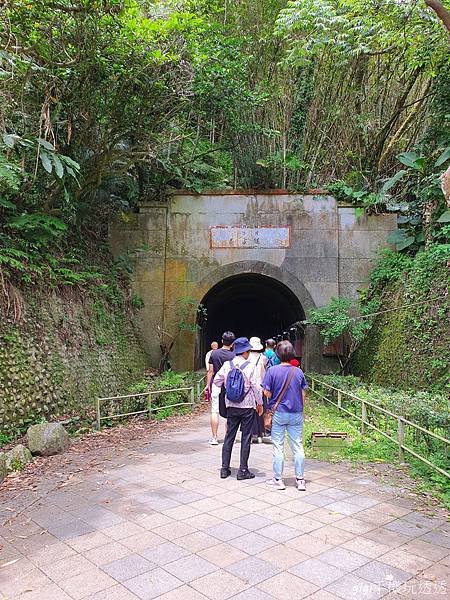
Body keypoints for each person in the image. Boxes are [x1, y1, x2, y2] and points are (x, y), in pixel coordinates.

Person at [212, 337, 263, 480]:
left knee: (229, 437)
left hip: (231, 406)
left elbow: (216, 381)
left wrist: (227, 389)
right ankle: (243, 470)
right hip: (247, 407)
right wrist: (260, 404)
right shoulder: (251, 366)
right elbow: (257, 388)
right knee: (245, 438)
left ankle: (224, 469)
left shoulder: (227, 365)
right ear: (246, 351)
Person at [262, 340, 308, 491]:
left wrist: (270, 394)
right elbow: (303, 393)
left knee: (278, 446)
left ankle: (278, 480)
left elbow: (267, 392)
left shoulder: (272, 371)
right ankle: (300, 480)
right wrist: (301, 409)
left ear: (277, 354)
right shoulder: (298, 372)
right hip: (296, 413)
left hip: (279, 413)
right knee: (297, 446)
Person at [205, 331, 235, 445]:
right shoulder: (234, 356)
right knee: (229, 412)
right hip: (229, 386)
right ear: (232, 344)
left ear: (222, 341)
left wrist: (208, 385)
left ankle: (214, 438)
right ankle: (228, 438)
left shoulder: (214, 354)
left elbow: (210, 371)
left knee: (214, 411)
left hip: (216, 385)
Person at [248, 336, 267, 443]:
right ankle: (260, 434)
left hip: (250, 388)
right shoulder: (263, 358)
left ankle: (251, 434)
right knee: (260, 411)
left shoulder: (246, 357)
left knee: (250, 411)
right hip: (260, 387)